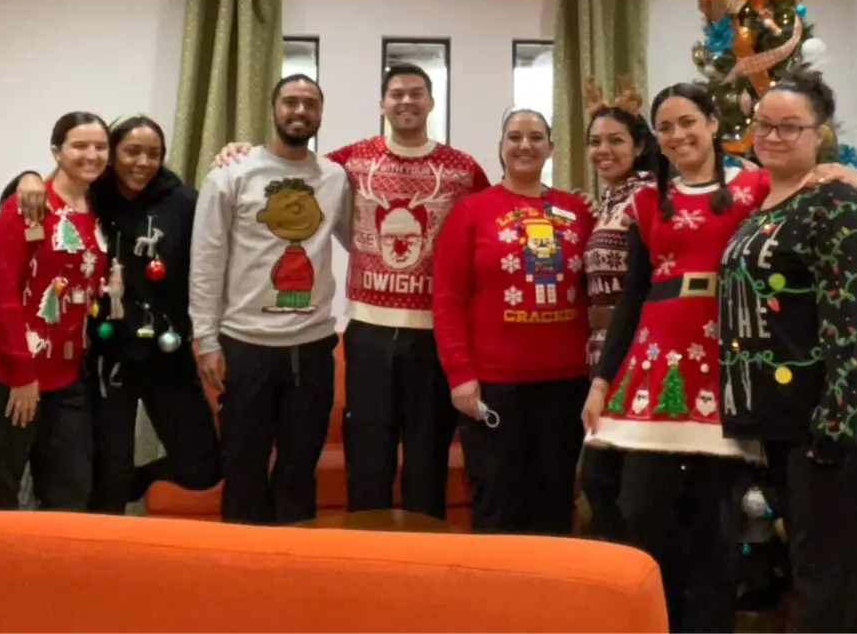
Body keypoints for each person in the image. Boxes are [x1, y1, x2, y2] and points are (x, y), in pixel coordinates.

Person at [582, 83, 857, 633]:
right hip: (654, 366)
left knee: (717, 518)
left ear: (712, 123)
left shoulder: (756, 184)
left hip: (727, 364)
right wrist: (600, 381)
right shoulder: (645, 203)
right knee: (640, 507)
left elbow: (819, 189)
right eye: (664, 128)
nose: (677, 135)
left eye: (687, 121)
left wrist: (850, 176)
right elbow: (633, 296)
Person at [213, 64, 490, 519]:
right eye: (396, 93)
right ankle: (366, 560)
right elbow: (291, 162)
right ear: (382, 104)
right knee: (368, 458)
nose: (406, 101)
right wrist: (238, 151)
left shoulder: (462, 169)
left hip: (434, 337)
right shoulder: (348, 162)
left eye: (416, 93)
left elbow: (491, 223)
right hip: (366, 332)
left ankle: (423, 564)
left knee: (427, 458)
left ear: (431, 103)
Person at [718, 68, 857, 634]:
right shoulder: (765, 202)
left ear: (819, 133)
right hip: (786, 420)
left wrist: (836, 425)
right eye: (763, 124)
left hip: (834, 421)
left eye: (790, 127)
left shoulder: (834, 202)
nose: (773, 136)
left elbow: (854, 321)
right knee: (809, 569)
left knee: (833, 582)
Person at [9, 115, 221, 513]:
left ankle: (135, 482)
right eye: (131, 152)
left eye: (153, 154)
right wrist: (27, 176)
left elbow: (220, 249)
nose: (142, 162)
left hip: (167, 356)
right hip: (108, 360)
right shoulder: (93, 194)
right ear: (113, 154)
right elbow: (30, 198)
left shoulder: (185, 203)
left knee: (203, 465)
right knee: (106, 480)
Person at [190, 74, 352, 524]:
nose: (300, 111)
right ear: (273, 109)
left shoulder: (335, 178)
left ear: (320, 113)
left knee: (299, 471)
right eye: (290, 102)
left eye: (310, 103)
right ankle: (242, 575)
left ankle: (293, 574)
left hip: (312, 346)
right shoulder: (231, 173)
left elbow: (364, 242)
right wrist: (205, 339)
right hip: (244, 346)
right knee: (244, 469)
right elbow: (205, 261)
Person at [431, 108, 593, 535]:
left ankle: (549, 595)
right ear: (501, 147)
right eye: (515, 137)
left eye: (536, 137)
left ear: (551, 148)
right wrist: (460, 376)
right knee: (497, 499)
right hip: (493, 387)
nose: (526, 145)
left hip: (566, 384)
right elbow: (446, 299)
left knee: (555, 497)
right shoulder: (470, 212)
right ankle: (497, 597)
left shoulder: (578, 210)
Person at [0, 111, 109, 511]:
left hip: (66, 380)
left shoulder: (100, 207)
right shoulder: (29, 204)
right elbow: (3, 295)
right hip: (7, 378)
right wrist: (23, 376)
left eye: (100, 146)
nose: (91, 155)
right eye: (80, 145)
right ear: (56, 152)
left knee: (71, 494)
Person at [578, 96, 657, 542]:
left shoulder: (649, 194)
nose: (603, 149)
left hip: (635, 353)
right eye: (595, 141)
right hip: (600, 354)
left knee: (617, 483)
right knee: (602, 481)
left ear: (640, 144)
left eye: (615, 140)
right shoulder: (608, 201)